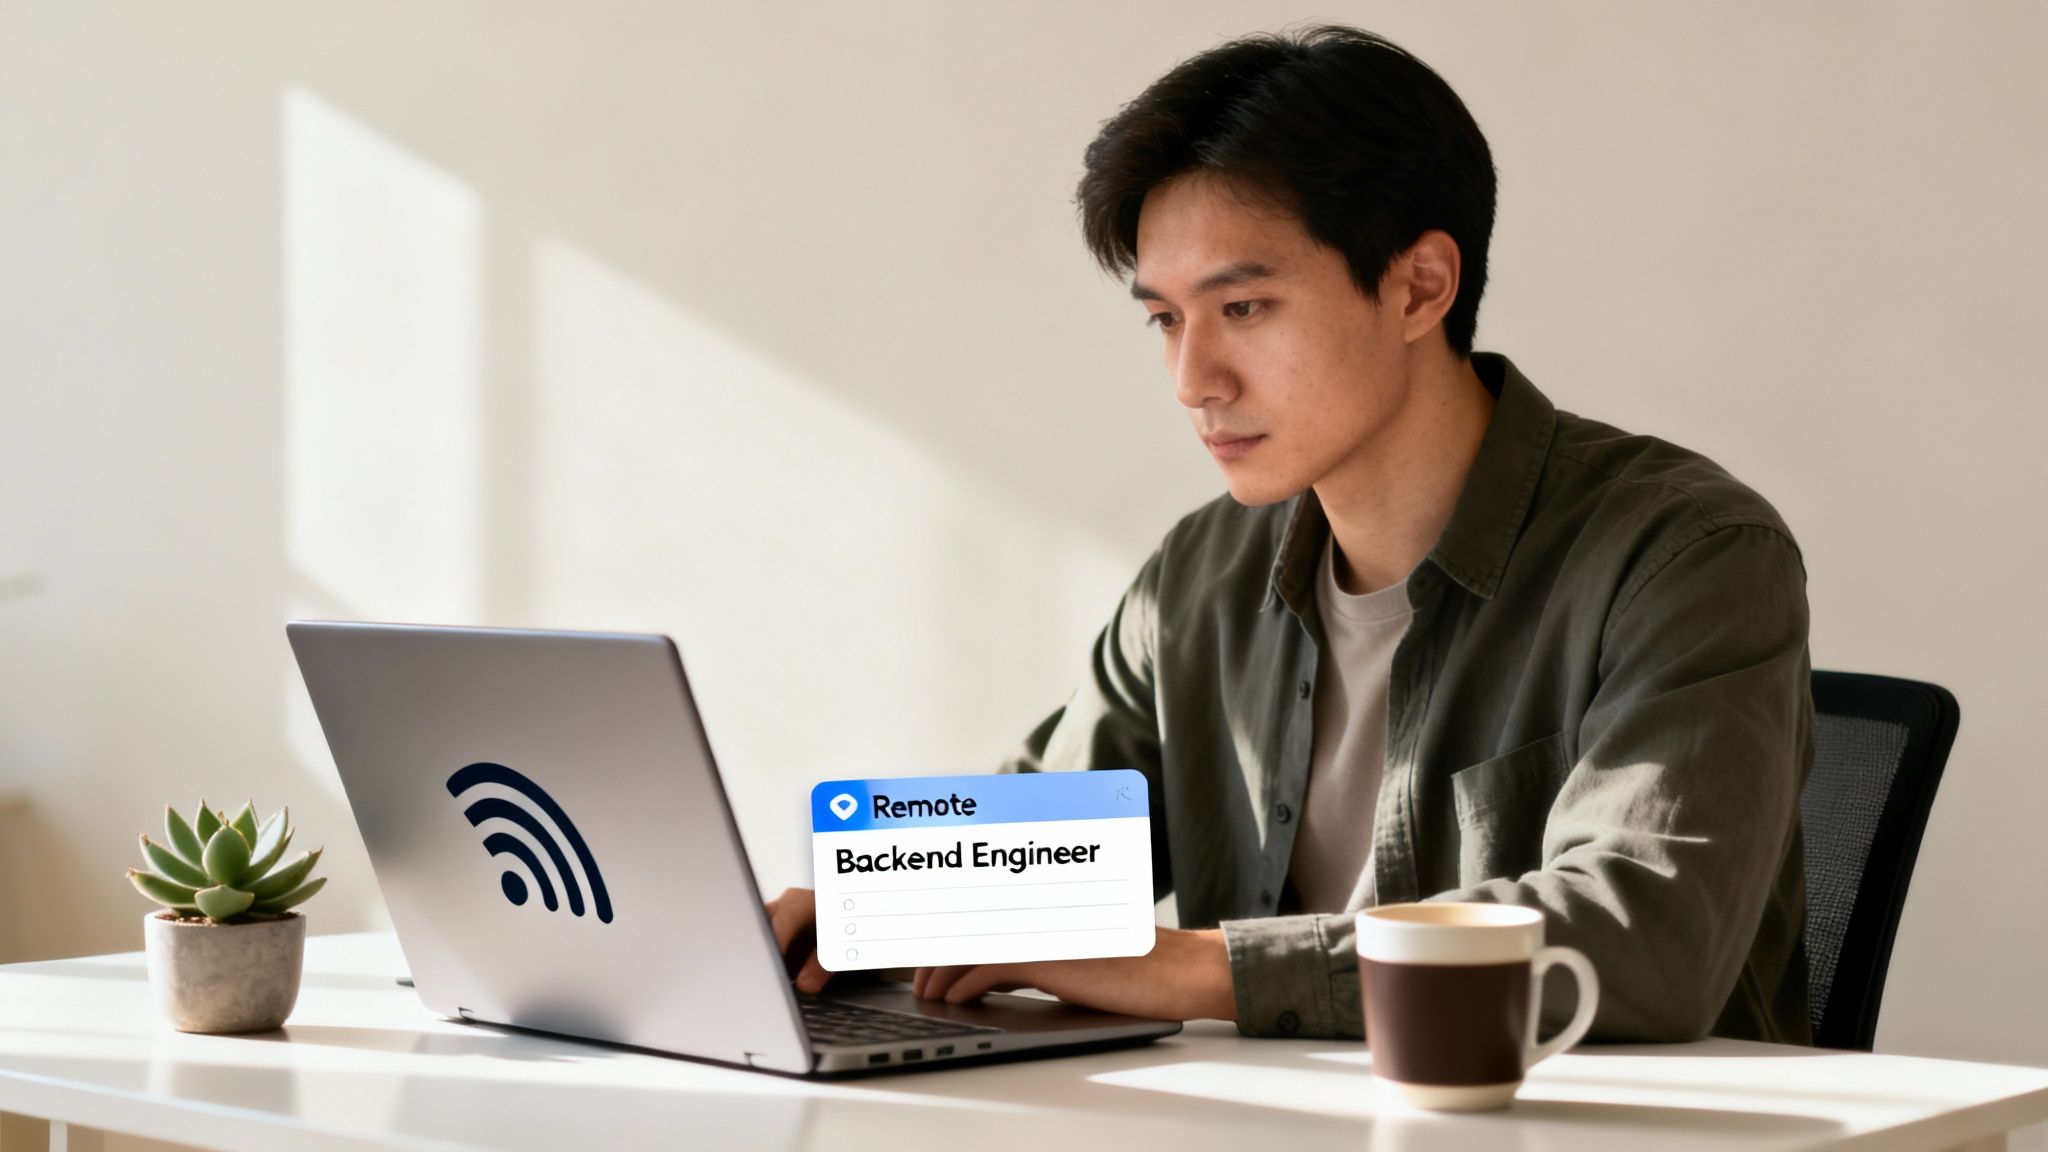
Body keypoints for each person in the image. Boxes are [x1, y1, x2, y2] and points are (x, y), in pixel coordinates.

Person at [767, 24, 1812, 1044]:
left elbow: (1641, 942)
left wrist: (1197, 965)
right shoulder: (1198, 576)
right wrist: (871, 914)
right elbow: (1035, 848)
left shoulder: (1685, 555)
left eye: (1247, 307)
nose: (1192, 381)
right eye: (1165, 319)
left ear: (1418, 286)